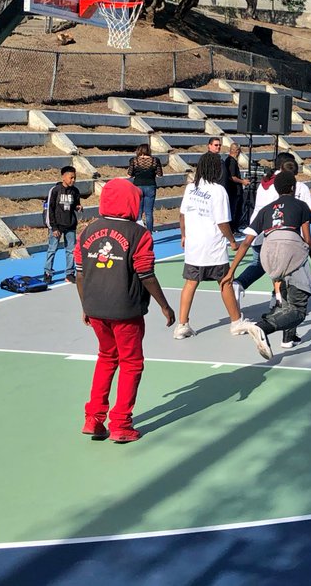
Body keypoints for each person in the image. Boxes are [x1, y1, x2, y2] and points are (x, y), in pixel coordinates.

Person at [73, 178, 175, 443]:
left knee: (106, 358)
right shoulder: (139, 234)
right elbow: (146, 274)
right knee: (131, 363)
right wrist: (164, 305)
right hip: (126, 310)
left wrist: (85, 304)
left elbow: (80, 274)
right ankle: (121, 424)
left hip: (95, 308)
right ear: (133, 202)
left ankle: (93, 418)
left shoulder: (88, 231)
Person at [229, 152, 311, 336]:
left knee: (265, 267)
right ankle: (278, 321)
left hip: (261, 234)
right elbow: (307, 213)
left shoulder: (265, 186)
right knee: (290, 282)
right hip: (288, 241)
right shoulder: (298, 189)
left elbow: (247, 238)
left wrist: (231, 270)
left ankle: (254, 291)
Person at [225, 170, 311, 360]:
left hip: (268, 255)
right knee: (298, 308)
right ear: (293, 187)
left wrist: (231, 271)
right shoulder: (301, 205)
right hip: (290, 250)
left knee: (287, 295)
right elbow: (308, 240)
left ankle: (289, 337)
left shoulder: (266, 210)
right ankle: (261, 327)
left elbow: (246, 242)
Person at [174, 151, 245, 339]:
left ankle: (182, 324)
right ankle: (236, 322)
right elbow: (222, 222)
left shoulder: (190, 188)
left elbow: (182, 215)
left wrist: (183, 235)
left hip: (194, 245)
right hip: (213, 246)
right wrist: (232, 240)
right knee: (225, 282)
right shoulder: (218, 191)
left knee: (190, 283)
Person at [44, 165, 82, 284]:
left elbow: (75, 204)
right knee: (52, 249)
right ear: (63, 177)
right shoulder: (55, 190)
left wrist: (78, 207)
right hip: (57, 226)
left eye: (75, 178)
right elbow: (50, 209)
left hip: (70, 225)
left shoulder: (75, 191)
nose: (73, 180)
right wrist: (53, 227)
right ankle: (47, 273)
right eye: (71, 178)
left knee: (70, 250)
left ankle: (70, 273)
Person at [126, 144, 164, 233]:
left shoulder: (134, 160)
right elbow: (160, 175)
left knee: (138, 212)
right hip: (150, 186)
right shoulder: (155, 160)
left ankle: (138, 233)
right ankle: (149, 234)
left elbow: (129, 175)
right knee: (149, 212)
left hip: (137, 186)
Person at [222, 142, 249, 232]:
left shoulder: (230, 161)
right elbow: (232, 177)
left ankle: (233, 228)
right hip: (234, 191)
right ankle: (233, 229)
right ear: (236, 151)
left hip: (233, 190)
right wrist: (243, 181)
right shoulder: (231, 162)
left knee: (235, 210)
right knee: (235, 210)